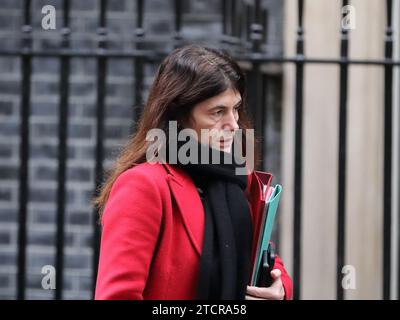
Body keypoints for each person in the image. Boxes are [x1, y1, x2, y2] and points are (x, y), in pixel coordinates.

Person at [93, 44, 293, 300]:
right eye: (217, 112)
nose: (233, 125)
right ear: (180, 116)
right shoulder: (143, 185)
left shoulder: (237, 179)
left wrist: (280, 289)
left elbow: (267, 258)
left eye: (236, 109)